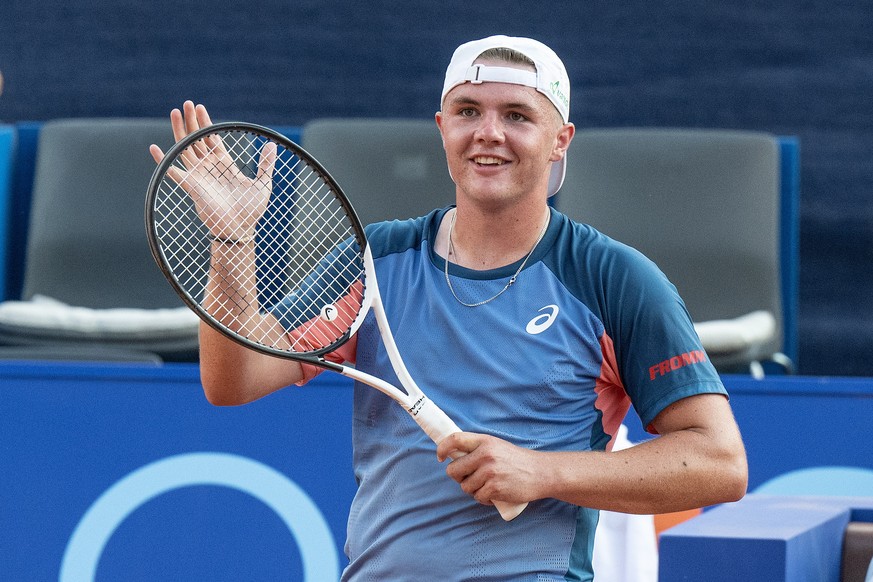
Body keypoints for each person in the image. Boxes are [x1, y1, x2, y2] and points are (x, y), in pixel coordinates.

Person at [151, 35, 748, 581]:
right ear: (442, 128)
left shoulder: (613, 278)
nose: (489, 133)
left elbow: (720, 463)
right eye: (469, 112)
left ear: (561, 139)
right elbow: (234, 381)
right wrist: (230, 243)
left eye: (517, 115)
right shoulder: (376, 259)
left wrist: (543, 473)